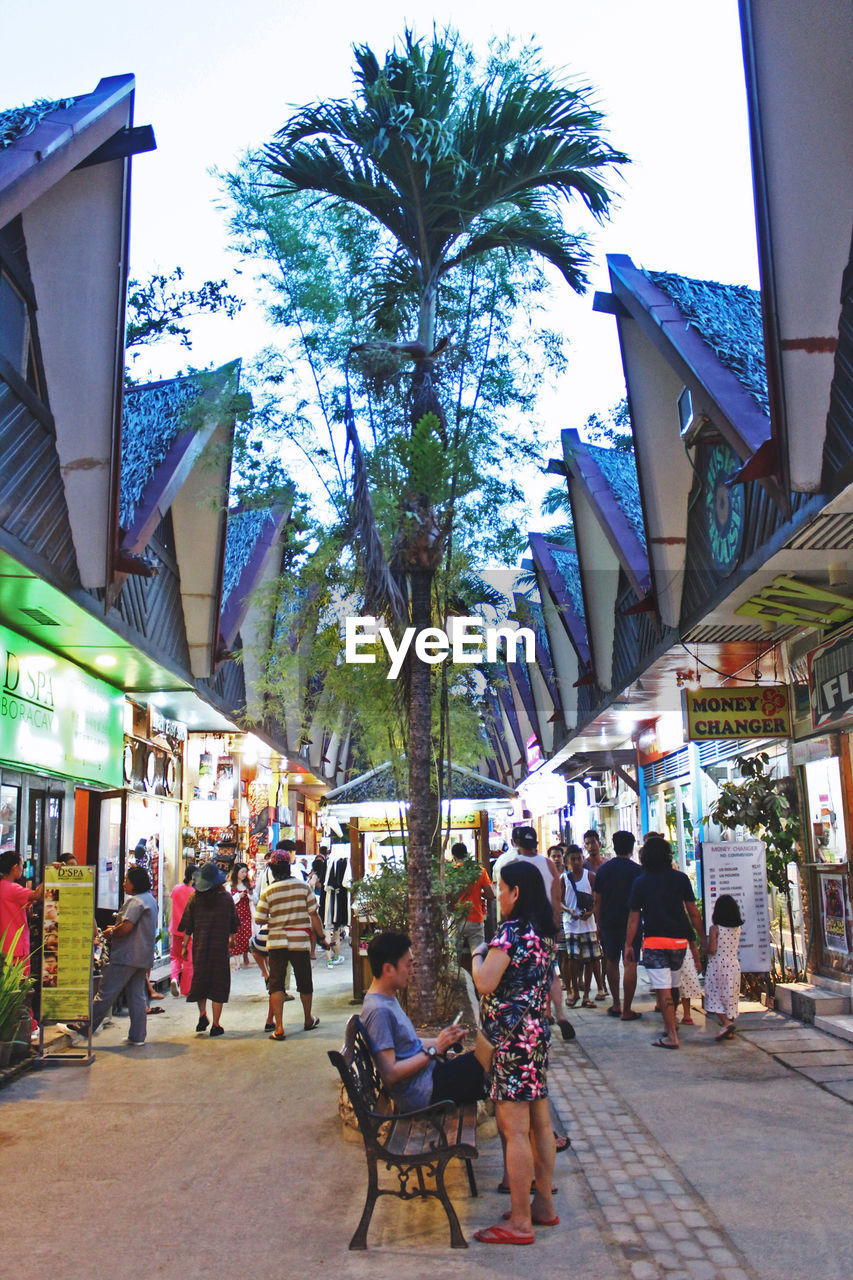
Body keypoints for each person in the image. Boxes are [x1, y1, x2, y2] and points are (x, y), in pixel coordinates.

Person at [471, 860, 558, 1245]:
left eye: (501, 888)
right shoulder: (545, 932)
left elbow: (486, 983)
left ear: (516, 892)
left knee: (514, 1129)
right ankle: (542, 1205)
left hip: (510, 1042)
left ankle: (521, 1221)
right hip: (535, 1035)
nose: (497, 895)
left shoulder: (511, 932)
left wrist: (477, 956)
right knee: (540, 1122)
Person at [361, 931, 484, 1112]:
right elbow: (390, 1073)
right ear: (388, 969)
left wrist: (443, 1040)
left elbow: (407, 1044)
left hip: (428, 1077)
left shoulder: (386, 998)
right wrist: (435, 1049)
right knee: (491, 1066)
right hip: (422, 1093)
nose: (412, 971)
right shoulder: (379, 1011)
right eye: (408, 965)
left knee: (485, 1058)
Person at [493, 825, 574, 1041]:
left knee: (524, 975)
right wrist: (556, 925)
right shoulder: (547, 863)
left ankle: (537, 1014)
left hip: (521, 927)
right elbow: (556, 898)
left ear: (515, 842)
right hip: (545, 924)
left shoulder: (511, 865)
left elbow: (505, 899)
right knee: (550, 971)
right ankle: (560, 1013)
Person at [624, 837, 705, 1050]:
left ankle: (671, 1034)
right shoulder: (680, 879)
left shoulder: (640, 883)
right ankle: (673, 1024)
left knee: (663, 989)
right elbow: (693, 912)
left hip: (654, 941)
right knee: (674, 985)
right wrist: (701, 938)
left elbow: (633, 917)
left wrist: (628, 944)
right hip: (679, 942)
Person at [62, 866, 156, 1047]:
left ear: (135, 883)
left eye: (127, 880)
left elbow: (127, 927)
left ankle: (82, 1028)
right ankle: (137, 1036)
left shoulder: (136, 902)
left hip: (127, 956)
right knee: (136, 995)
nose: (124, 883)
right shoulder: (150, 900)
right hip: (142, 956)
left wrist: (111, 932)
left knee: (106, 993)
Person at [254, 850, 329, 1040]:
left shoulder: (269, 891)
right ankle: (307, 1019)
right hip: (299, 942)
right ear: (289, 867)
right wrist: (321, 937)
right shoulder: (303, 887)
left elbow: (259, 918)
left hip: (277, 942)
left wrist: (276, 919)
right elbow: (314, 915)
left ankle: (279, 1027)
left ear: (271, 869)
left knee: (276, 984)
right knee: (305, 981)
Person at [180, 862, 239, 1036]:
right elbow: (233, 925)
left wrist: (184, 946)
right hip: (219, 948)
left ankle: (202, 1014)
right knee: (218, 983)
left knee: (201, 980)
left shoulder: (195, 898)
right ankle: (216, 1024)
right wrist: (232, 939)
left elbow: (188, 926)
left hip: (200, 947)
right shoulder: (226, 898)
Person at [593, 830, 642, 1020]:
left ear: (613, 846)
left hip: (609, 922)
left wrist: (598, 924)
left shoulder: (604, 870)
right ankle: (628, 1009)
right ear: (632, 847)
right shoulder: (637, 871)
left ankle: (616, 1003)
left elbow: (597, 901)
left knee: (611, 961)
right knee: (630, 963)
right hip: (633, 924)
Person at [561, 846, 600, 1007]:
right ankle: (574, 990)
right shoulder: (563, 879)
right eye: (573, 859)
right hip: (571, 924)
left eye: (579, 858)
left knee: (590, 960)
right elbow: (559, 900)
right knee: (572, 959)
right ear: (567, 861)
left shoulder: (590, 876)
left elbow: (597, 899)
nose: (577, 862)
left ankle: (586, 995)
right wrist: (569, 910)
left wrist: (591, 912)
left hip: (588, 925)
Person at [703, 894, 744, 1041]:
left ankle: (726, 1024)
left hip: (717, 966)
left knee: (714, 996)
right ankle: (730, 1027)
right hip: (733, 965)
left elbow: (713, 949)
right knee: (730, 997)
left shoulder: (715, 928)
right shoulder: (737, 928)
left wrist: (705, 949)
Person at [450, 841, 495, 964]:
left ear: (454, 857)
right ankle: (480, 981)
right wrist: (478, 893)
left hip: (456, 919)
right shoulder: (479, 870)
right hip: (475, 918)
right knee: (478, 955)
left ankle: (455, 981)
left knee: (454, 958)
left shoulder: (450, 872)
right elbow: (491, 895)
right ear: (466, 855)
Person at [0, 850, 44, 971]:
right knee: (19, 986)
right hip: (15, 947)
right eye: (22, 865)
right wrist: (51, 873)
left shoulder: (3, 886)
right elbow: (37, 895)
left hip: (4, 946)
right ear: (15, 867)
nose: (22, 869)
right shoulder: (12, 889)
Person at [169, 866, 195, 998]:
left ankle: (174, 978)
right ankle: (186, 989)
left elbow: (172, 897)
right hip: (188, 932)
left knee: (175, 956)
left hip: (175, 929)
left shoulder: (176, 889)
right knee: (188, 960)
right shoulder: (193, 892)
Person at [228, 862, 254, 967]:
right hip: (235, 916)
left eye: (245, 872)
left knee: (247, 936)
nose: (244, 874)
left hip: (247, 915)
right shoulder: (230, 886)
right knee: (237, 938)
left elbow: (255, 899)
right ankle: (237, 963)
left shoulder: (248, 885)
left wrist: (250, 894)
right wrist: (239, 896)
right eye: (242, 872)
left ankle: (245, 956)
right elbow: (229, 901)